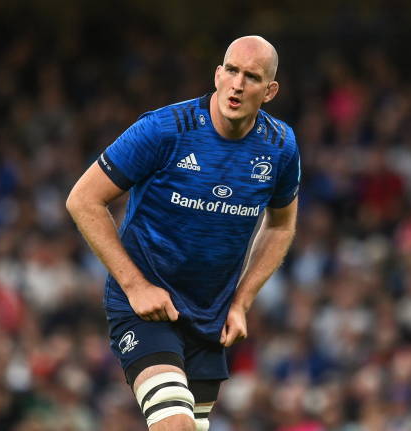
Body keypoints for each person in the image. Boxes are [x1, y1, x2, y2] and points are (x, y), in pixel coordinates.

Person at [66, 35, 300, 431]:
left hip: (210, 314)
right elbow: (83, 200)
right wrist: (135, 286)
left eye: (252, 77)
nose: (238, 85)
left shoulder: (280, 146)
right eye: (231, 70)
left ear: (271, 90)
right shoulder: (163, 130)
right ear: (218, 73)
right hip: (146, 308)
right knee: (175, 426)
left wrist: (242, 302)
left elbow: (281, 225)